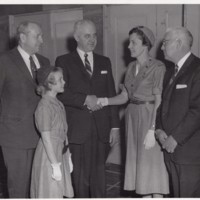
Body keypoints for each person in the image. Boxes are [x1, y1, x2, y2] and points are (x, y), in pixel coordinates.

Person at [98, 26, 169, 197]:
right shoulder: (130, 67)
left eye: (133, 42)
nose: (129, 46)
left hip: (148, 117)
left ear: (146, 44)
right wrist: (105, 101)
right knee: (140, 175)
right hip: (132, 118)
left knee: (153, 173)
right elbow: (125, 96)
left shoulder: (158, 67)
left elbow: (158, 100)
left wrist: (153, 129)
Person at [55, 19, 120, 198]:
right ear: (76, 37)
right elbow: (61, 93)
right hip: (78, 130)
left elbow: (111, 93)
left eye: (94, 35)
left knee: (99, 178)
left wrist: (114, 127)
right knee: (79, 179)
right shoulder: (64, 61)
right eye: (87, 36)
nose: (92, 39)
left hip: (101, 129)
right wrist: (84, 99)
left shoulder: (104, 61)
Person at [0, 21, 50, 198]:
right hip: (15, 138)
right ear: (22, 37)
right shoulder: (4, 61)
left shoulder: (44, 62)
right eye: (38, 36)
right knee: (19, 188)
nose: (42, 40)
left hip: (42, 136)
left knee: (40, 186)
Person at [156, 27, 200, 197]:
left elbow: (197, 111)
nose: (161, 47)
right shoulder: (171, 71)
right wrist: (159, 129)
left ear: (179, 43)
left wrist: (175, 138)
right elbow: (163, 106)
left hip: (189, 153)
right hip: (171, 150)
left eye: (165, 43)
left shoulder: (197, 69)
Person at [30, 66, 74, 198]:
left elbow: (64, 132)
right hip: (49, 156)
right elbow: (46, 138)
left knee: (60, 192)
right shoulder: (44, 106)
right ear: (49, 84)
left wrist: (69, 156)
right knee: (50, 192)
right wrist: (55, 165)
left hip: (61, 152)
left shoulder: (58, 103)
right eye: (60, 80)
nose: (64, 82)